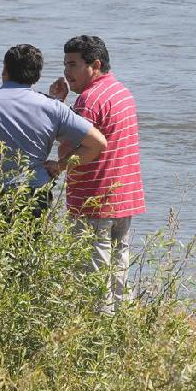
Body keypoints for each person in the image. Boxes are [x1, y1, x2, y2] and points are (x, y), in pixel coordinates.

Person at [0, 44, 107, 246]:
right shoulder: (53, 107)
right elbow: (97, 143)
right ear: (36, 76)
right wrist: (60, 166)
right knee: (27, 269)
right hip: (34, 200)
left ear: (4, 69)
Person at [48, 35, 145, 314]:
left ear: (95, 64)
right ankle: (120, 324)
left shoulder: (88, 101)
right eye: (66, 64)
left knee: (91, 272)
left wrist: (58, 165)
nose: (67, 72)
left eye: (73, 65)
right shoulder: (121, 92)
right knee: (118, 268)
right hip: (124, 195)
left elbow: (75, 143)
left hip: (93, 198)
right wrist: (63, 105)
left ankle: (96, 330)